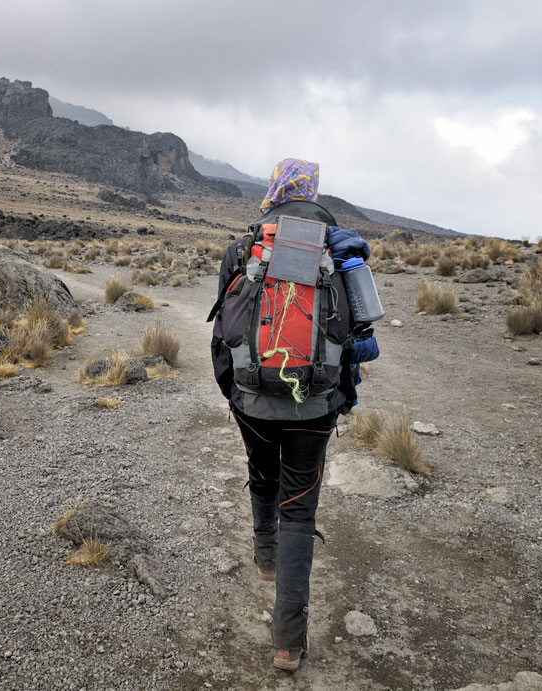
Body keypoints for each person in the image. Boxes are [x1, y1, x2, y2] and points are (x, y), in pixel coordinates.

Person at [209, 158, 379, 672]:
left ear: (275, 191)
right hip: (316, 405)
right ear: (314, 193)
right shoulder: (342, 250)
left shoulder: (242, 249)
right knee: (300, 509)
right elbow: (357, 343)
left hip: (252, 399)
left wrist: (235, 396)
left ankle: (264, 556)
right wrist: (339, 399)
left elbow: (222, 337)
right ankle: (288, 642)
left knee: (262, 475)